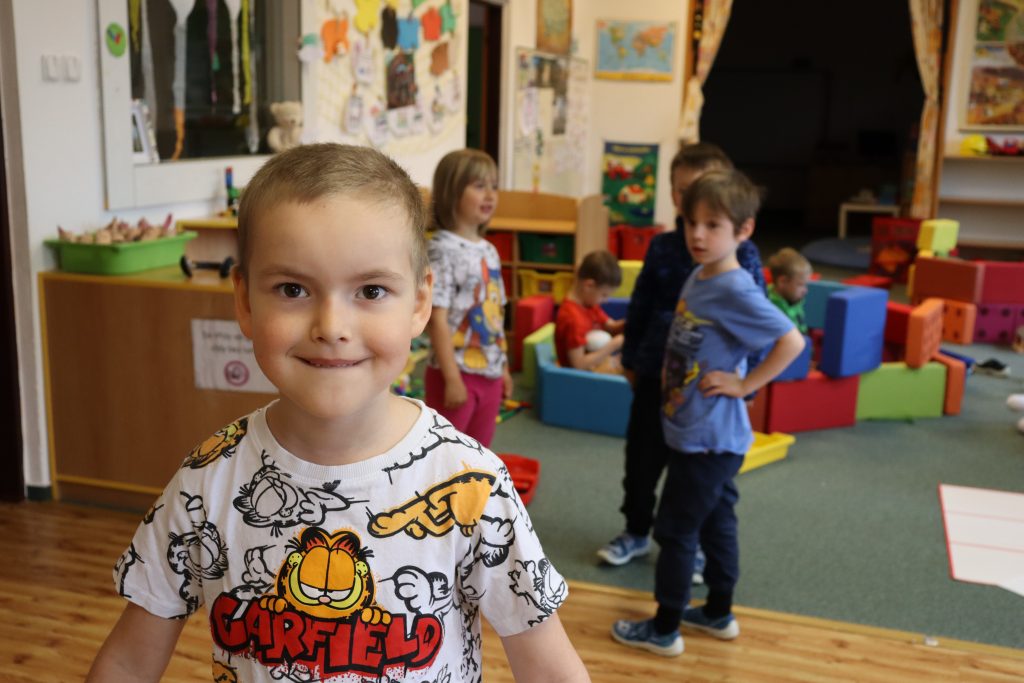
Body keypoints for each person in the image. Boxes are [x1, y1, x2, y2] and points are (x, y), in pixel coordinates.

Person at [87, 144, 590, 683]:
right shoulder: (207, 479)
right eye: (293, 289)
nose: (331, 326)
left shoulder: (471, 484)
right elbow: (128, 663)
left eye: (371, 290)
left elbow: (551, 670)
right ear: (246, 302)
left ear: (419, 303)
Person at [611, 169, 805, 656]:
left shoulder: (735, 287)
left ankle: (665, 629)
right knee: (718, 521)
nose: (697, 234)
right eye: (690, 222)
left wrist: (745, 385)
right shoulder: (701, 274)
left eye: (713, 225)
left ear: (744, 230)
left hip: (708, 438)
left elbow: (791, 341)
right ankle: (718, 613)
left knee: (675, 530)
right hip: (695, 430)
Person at [598, 143, 766, 580]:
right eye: (682, 191)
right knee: (641, 463)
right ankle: (636, 531)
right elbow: (640, 304)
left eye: (702, 189)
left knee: (699, 480)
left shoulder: (741, 255)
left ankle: (692, 545)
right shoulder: (663, 247)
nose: (692, 202)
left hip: (706, 393)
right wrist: (631, 359)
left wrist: (746, 383)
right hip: (655, 375)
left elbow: (761, 325)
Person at [424, 148, 512, 448]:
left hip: (490, 373)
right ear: (452, 192)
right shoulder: (441, 249)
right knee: (444, 452)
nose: (490, 194)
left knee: (479, 452)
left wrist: (504, 368)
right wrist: (451, 378)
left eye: (494, 186)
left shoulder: (490, 250)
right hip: (455, 372)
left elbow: (495, 315)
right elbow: (437, 319)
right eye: (479, 185)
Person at [555, 249, 626, 373]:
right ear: (589, 285)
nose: (606, 300)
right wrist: (613, 345)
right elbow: (578, 365)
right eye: (604, 295)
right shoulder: (572, 318)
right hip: (578, 377)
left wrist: (629, 324)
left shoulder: (589, 304)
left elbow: (611, 326)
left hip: (595, 365)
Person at [766, 247, 812, 334]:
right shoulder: (769, 304)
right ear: (782, 281)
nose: (805, 290)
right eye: (800, 285)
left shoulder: (794, 299)